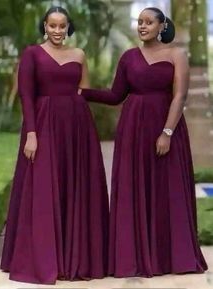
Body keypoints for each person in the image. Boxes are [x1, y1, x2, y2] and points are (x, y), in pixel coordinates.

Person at [81, 7, 208, 277]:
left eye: (149, 22)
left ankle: (170, 257)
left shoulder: (176, 55)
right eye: (139, 22)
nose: (142, 26)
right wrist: (82, 93)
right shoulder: (128, 58)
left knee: (168, 189)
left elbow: (179, 96)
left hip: (166, 129)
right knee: (133, 188)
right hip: (132, 132)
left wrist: (167, 132)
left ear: (162, 26)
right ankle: (133, 257)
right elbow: (116, 96)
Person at [0, 6, 109, 284]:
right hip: (44, 124)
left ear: (68, 27)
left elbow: (84, 91)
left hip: (77, 126)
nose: (57, 31)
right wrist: (32, 134)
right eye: (52, 26)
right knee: (43, 186)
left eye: (62, 26)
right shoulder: (32, 54)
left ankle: (73, 257)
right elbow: (26, 95)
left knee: (73, 185)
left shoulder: (79, 55)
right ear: (44, 27)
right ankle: (44, 257)